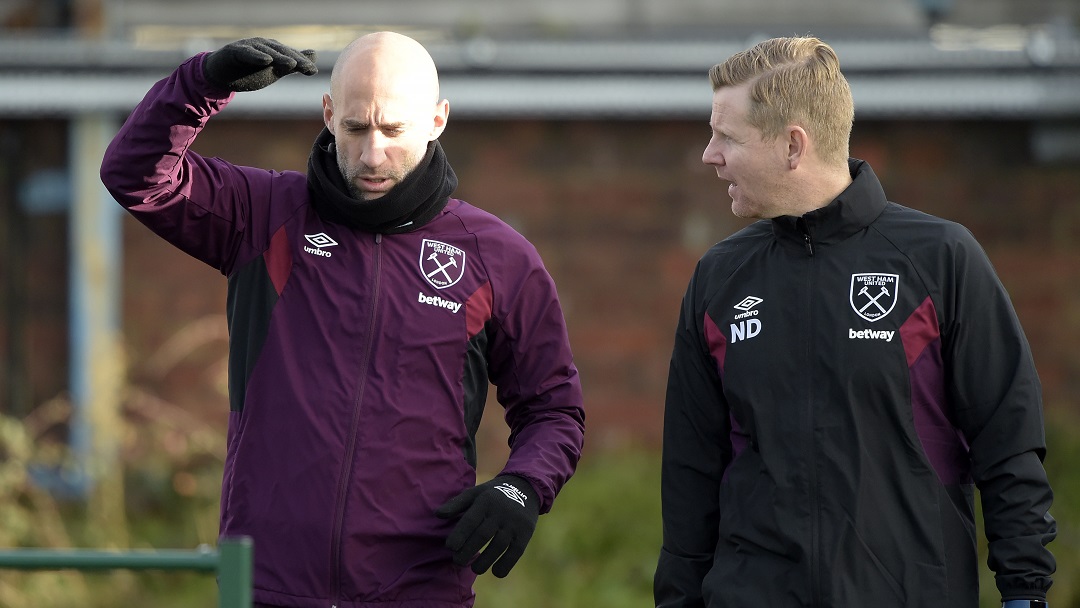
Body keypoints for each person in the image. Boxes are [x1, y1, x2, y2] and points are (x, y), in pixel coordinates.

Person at [100, 32, 585, 608]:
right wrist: (202, 82)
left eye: (394, 130)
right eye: (355, 128)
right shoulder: (265, 215)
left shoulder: (497, 257)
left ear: (437, 120)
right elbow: (135, 173)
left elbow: (554, 408)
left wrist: (522, 487)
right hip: (267, 584)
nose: (372, 154)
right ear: (328, 115)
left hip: (419, 588)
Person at [653, 36, 1055, 608]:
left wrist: (1025, 593)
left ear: (793, 145)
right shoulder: (720, 279)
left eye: (727, 136)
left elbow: (1008, 443)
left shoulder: (940, 260)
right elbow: (690, 475)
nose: (708, 154)